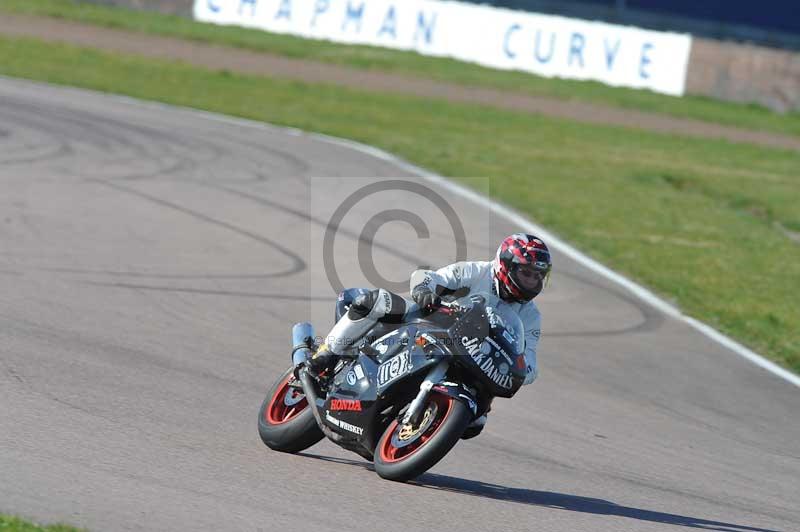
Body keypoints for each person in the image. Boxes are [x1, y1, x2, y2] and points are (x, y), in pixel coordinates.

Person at [307, 233, 552, 438]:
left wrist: (522, 370)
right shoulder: (476, 272)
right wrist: (425, 290)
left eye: (538, 276)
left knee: (476, 422)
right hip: (426, 326)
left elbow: (529, 358)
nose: (532, 281)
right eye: (526, 273)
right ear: (505, 265)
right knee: (376, 301)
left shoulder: (530, 316)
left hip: (470, 358)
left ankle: (418, 424)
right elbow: (430, 278)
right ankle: (326, 354)